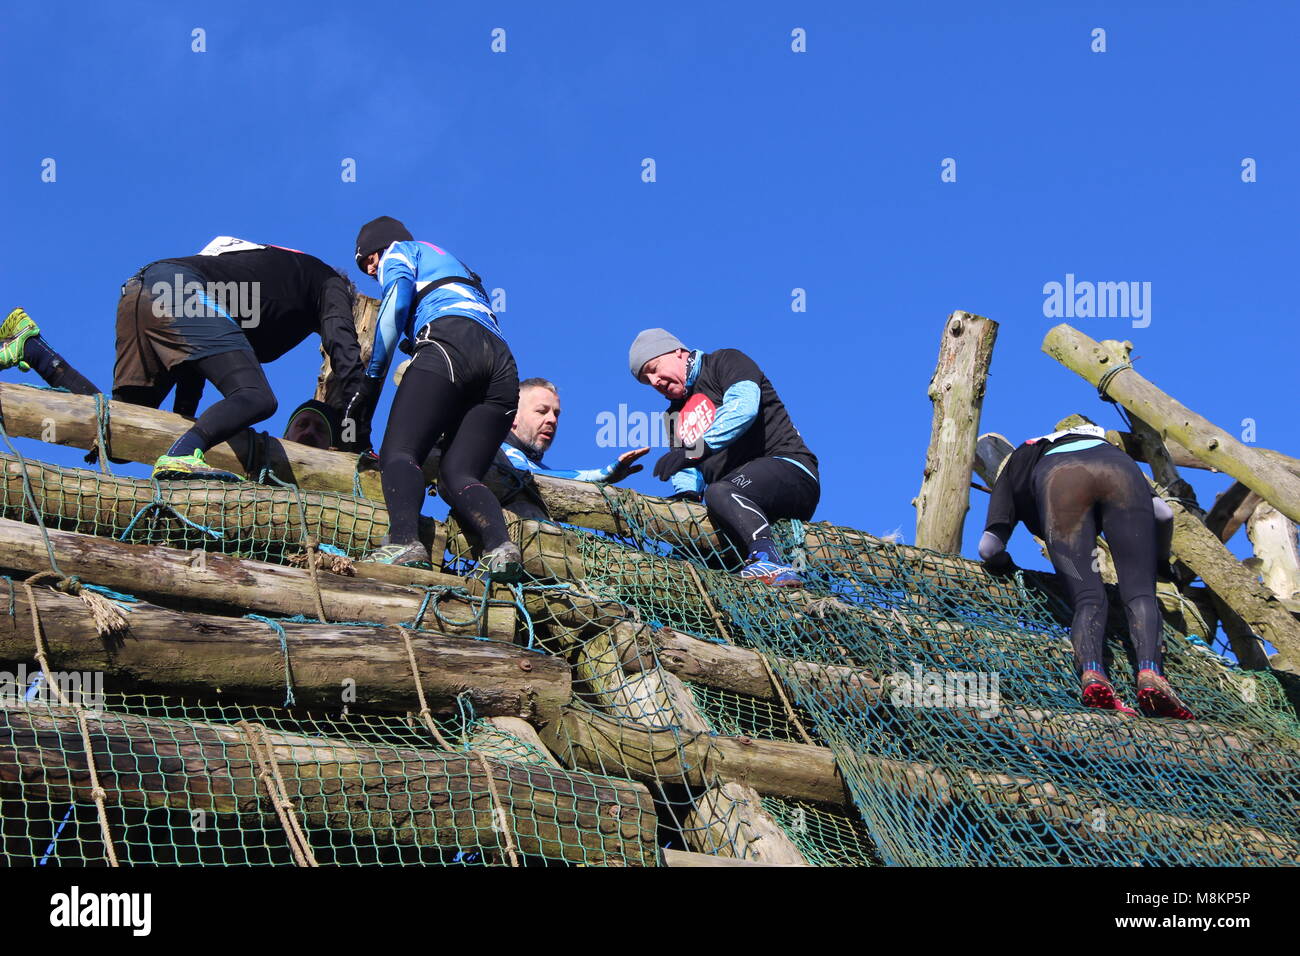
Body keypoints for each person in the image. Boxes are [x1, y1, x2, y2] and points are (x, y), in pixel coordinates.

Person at [4, 236, 369, 482]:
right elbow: (346, 356)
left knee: (125, 433)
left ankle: (33, 350)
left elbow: (198, 356)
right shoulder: (328, 284)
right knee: (257, 397)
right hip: (180, 292)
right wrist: (361, 440)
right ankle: (182, 454)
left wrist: (187, 420)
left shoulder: (275, 287)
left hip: (143, 293)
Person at [979, 419, 1193, 720]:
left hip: (1060, 483)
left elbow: (989, 548)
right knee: (1141, 594)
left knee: (1088, 598)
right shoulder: (1112, 451)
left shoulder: (1019, 460)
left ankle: (1093, 675)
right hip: (1120, 477)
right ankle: (1151, 675)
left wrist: (1004, 566)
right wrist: (1159, 564)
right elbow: (1163, 513)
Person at [350, 216, 523, 580]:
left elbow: (395, 304)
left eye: (368, 258)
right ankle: (499, 548)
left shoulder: (400, 252)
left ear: (382, 246)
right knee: (457, 473)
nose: (370, 268)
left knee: (399, 452)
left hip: (448, 343)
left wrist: (371, 381)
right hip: (502, 365)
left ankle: (403, 540)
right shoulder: (458, 266)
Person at [629, 328, 820, 586]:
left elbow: (743, 408)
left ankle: (768, 561)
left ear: (677, 352)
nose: (654, 382)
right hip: (738, 501)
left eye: (653, 368)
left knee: (720, 491)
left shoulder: (725, 361)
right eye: (646, 380)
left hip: (790, 471)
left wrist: (697, 448)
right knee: (693, 549)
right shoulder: (672, 417)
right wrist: (684, 498)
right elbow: (688, 469)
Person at [499, 377, 649, 484]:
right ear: (514, 416)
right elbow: (527, 475)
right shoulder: (498, 454)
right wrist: (601, 475)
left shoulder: (541, 467)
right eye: (541, 411)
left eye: (556, 413)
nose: (552, 420)